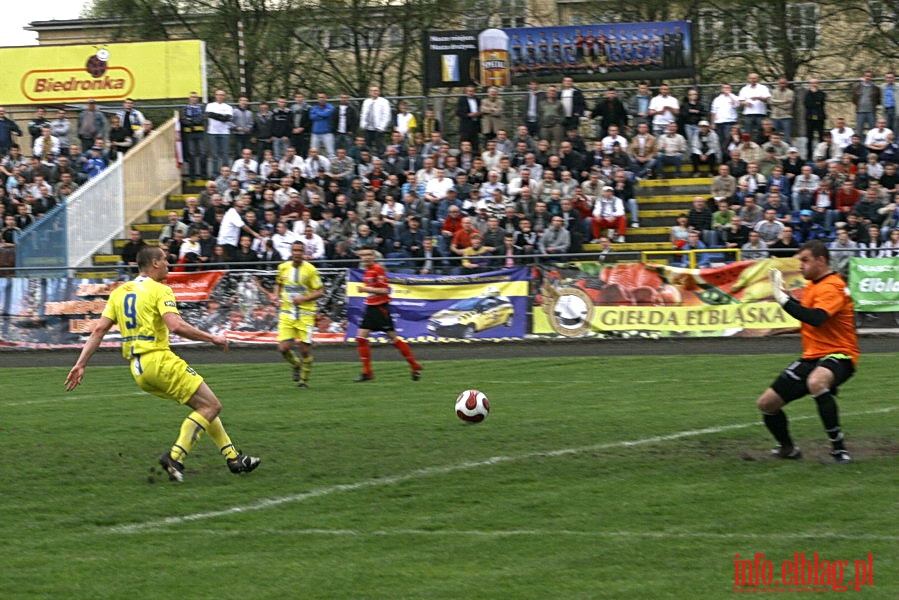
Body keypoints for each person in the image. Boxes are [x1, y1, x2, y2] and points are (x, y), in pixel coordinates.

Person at [64, 246, 261, 482]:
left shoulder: (119, 292)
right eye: (166, 260)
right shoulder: (160, 290)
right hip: (158, 359)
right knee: (211, 406)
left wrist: (81, 363)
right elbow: (176, 326)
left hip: (138, 370)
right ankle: (175, 456)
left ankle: (233, 458)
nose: (168, 264)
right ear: (155, 263)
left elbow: (99, 329)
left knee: (203, 406)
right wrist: (213, 338)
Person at [761, 241, 858, 463]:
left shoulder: (832, 286)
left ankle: (839, 450)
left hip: (840, 354)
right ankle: (788, 449)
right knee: (767, 404)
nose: (800, 266)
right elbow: (813, 320)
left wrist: (783, 300)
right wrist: (787, 328)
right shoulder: (815, 285)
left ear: (821, 261)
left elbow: (817, 317)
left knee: (816, 382)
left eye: (805, 260)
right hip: (812, 356)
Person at [353, 246, 422, 382]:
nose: (366, 258)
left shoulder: (378, 269)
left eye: (368, 255)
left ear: (373, 256)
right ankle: (367, 372)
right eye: (363, 255)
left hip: (380, 308)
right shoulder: (367, 271)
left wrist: (365, 288)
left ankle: (414, 365)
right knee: (361, 338)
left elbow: (385, 290)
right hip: (371, 307)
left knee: (393, 339)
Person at [273, 241, 324, 388]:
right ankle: (296, 364)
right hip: (287, 313)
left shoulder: (310, 270)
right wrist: (275, 295)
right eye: (294, 250)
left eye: (300, 250)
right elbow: (278, 283)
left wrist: (303, 299)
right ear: (291, 251)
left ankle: (304, 381)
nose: (297, 253)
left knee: (305, 349)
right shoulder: (283, 267)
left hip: (305, 314)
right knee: (283, 348)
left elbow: (320, 291)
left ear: (304, 252)